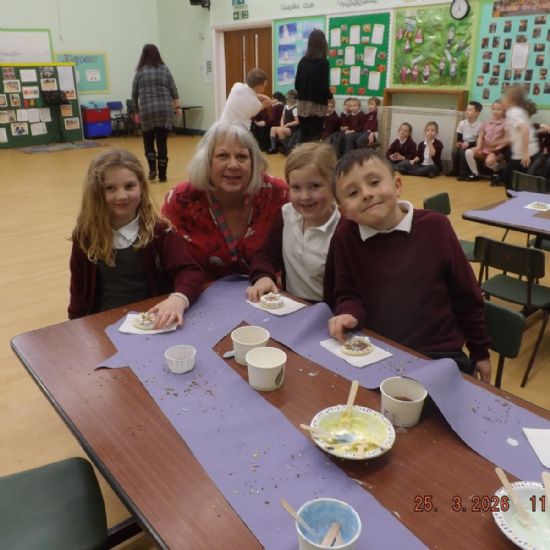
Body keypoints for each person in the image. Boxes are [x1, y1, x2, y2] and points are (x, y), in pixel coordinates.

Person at [323, 149, 492, 382]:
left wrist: (480, 350)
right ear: (344, 211)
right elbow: (345, 293)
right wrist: (348, 313)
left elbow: (466, 295)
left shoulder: (436, 227)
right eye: (353, 193)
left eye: (374, 182)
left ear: (397, 185)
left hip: (439, 356)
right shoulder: (345, 237)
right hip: (375, 352)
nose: (367, 194)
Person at [68, 149, 204, 328]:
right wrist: (75, 327)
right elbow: (78, 292)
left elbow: (189, 271)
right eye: (110, 188)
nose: (122, 196)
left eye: (129, 186)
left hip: (153, 322)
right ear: (96, 193)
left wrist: (178, 298)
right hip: (104, 326)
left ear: (141, 187)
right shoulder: (85, 237)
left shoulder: (160, 232)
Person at [161, 121, 288, 282]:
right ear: (206, 161)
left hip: (267, 292)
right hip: (198, 292)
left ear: (253, 162)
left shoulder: (277, 194)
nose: (233, 165)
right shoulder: (181, 200)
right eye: (223, 156)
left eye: (242, 157)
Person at [247, 142, 341, 303]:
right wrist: (263, 276)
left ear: (334, 184)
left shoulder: (342, 231)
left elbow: (348, 290)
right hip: (289, 304)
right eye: (296, 187)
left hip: (326, 311)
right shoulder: (287, 215)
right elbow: (266, 255)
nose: (305, 196)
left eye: (315, 186)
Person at [132, 44, 180, 183]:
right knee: (162, 142)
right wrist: (177, 107)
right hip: (164, 109)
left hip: (147, 109)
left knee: (148, 139)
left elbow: (134, 93)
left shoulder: (140, 71)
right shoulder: (164, 69)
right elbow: (173, 89)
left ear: (143, 55)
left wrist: (136, 111)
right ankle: (163, 175)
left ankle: (152, 168)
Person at [295, 29, 332, 143]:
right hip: (317, 106)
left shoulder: (302, 61)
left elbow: (297, 85)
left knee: (304, 135)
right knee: (314, 137)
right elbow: (323, 87)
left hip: (302, 106)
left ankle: (300, 154)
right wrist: (330, 96)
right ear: (323, 43)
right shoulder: (323, 63)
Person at [501, 84, 540, 188]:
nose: (502, 99)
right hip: (532, 151)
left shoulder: (511, 112)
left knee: (510, 184)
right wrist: (500, 141)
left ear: (511, 99)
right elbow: (518, 134)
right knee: (519, 185)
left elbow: (525, 130)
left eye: (504, 96)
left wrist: (525, 153)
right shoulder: (520, 110)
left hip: (523, 155)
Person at [464, 100, 507, 185]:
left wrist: (497, 148)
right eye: (493, 109)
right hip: (484, 147)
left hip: (496, 150)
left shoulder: (506, 123)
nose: (495, 111)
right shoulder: (486, 122)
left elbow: (506, 140)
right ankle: (475, 174)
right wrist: (479, 147)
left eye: (498, 109)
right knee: (468, 152)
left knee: (489, 162)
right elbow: (480, 137)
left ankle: (496, 173)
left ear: (504, 110)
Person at [448, 101, 482, 180]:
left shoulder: (480, 125)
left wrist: (468, 144)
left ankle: (464, 173)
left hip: (473, 145)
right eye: (467, 109)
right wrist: (459, 143)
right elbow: (459, 138)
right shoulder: (462, 123)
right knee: (455, 151)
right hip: (464, 143)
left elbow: (479, 141)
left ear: (477, 113)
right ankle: (455, 170)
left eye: (470, 110)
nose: (467, 111)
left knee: (463, 152)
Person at [267, 90, 300, 155]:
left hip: (292, 129)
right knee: (272, 129)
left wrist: (287, 124)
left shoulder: (295, 108)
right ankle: (273, 148)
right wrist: (282, 125)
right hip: (285, 127)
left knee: (279, 131)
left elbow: (297, 121)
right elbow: (282, 118)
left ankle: (287, 148)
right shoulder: (286, 107)